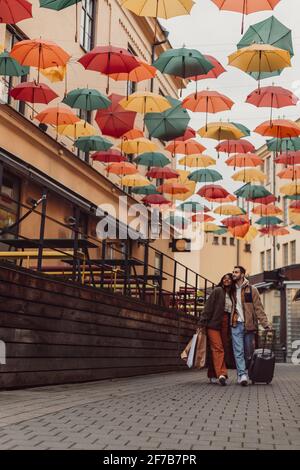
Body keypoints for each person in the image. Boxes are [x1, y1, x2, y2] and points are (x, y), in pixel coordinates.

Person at [231, 266, 271, 386]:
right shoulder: (230, 290)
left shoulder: (252, 290)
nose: (233, 274)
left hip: (249, 325)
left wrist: (265, 324)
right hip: (235, 324)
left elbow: (258, 308)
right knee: (238, 351)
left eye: (236, 272)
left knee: (249, 353)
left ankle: (249, 372)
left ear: (242, 274)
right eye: (233, 272)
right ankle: (242, 375)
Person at [200, 273, 236, 386]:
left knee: (220, 349)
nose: (226, 280)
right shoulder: (217, 290)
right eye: (224, 278)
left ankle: (212, 374)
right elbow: (208, 306)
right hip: (213, 324)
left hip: (226, 324)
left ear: (232, 281)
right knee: (218, 348)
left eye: (229, 278)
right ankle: (222, 374)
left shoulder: (233, 294)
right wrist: (202, 322)